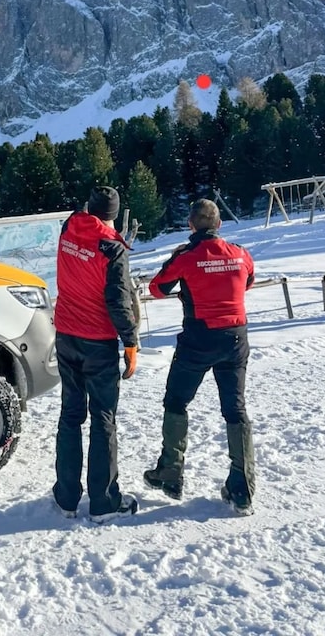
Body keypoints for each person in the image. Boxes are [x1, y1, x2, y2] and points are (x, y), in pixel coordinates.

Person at [144, 198, 256, 514]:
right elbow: (248, 281)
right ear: (219, 224)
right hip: (235, 337)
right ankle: (242, 487)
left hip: (198, 338)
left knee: (176, 400)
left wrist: (186, 278)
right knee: (235, 409)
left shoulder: (186, 256)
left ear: (191, 226)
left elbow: (156, 288)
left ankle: (170, 472)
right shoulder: (240, 253)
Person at [52, 185, 139, 522]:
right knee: (103, 418)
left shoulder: (69, 227)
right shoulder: (112, 248)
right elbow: (118, 301)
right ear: (114, 215)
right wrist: (130, 341)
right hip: (98, 341)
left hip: (66, 335)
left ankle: (67, 497)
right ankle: (103, 502)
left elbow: (79, 212)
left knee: (71, 415)